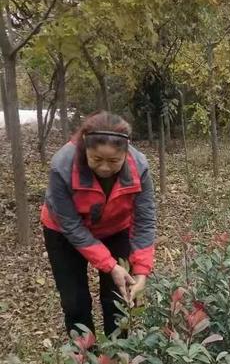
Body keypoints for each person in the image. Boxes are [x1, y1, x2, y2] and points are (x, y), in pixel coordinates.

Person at [41, 111, 156, 338]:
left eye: (113, 161)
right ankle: (84, 361)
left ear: (126, 152)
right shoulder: (62, 166)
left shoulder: (139, 167)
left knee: (119, 297)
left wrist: (142, 271)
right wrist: (110, 265)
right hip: (65, 233)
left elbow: (144, 220)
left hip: (115, 229)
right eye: (96, 159)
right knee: (75, 302)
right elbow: (71, 226)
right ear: (85, 147)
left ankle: (117, 359)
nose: (104, 168)